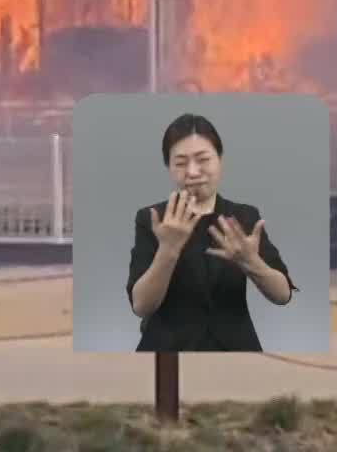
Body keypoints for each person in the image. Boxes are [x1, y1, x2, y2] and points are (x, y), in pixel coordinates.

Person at [127, 113, 296, 351]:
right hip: (168, 349)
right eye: (181, 163)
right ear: (168, 167)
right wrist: (168, 250)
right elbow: (141, 306)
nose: (193, 171)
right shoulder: (152, 219)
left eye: (203, 159)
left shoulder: (244, 217)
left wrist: (251, 262)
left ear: (220, 160)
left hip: (236, 350)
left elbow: (283, 295)